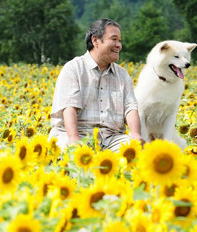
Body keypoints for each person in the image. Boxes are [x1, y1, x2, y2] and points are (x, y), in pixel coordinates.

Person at [49, 18, 145, 151]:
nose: (119, 45)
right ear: (95, 40)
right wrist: (73, 139)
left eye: (120, 41)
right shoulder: (74, 68)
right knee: (72, 155)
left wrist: (135, 135)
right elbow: (69, 107)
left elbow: (130, 108)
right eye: (114, 39)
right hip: (76, 134)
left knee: (138, 152)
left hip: (111, 138)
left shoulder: (122, 75)